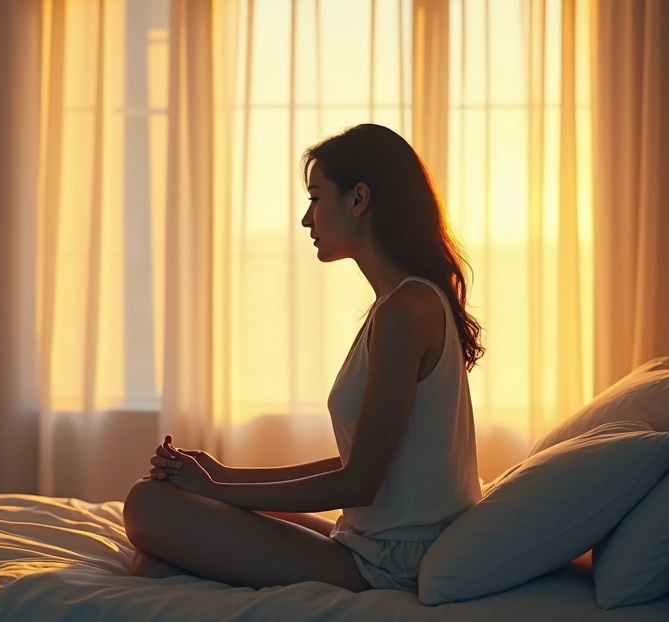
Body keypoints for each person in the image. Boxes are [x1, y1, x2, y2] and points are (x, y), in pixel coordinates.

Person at [123, 123, 484, 593]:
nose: (306, 219)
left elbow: (358, 482)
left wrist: (217, 490)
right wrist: (224, 476)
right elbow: (360, 462)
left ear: (359, 199)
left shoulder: (407, 310)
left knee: (147, 504)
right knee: (154, 553)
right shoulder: (398, 304)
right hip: (374, 541)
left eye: (315, 198)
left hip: (394, 559)